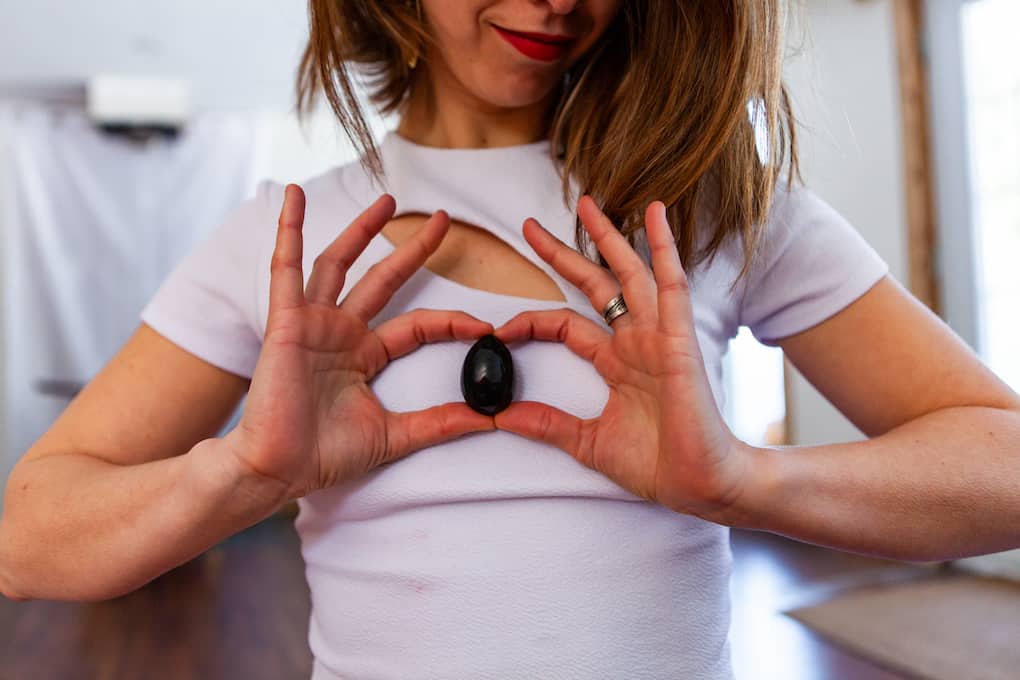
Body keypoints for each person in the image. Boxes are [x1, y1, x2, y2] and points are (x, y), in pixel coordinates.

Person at [3, 1, 1020, 678]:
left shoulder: (717, 213)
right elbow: (25, 539)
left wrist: (745, 481)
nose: (556, 3)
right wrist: (244, 472)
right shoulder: (288, 243)